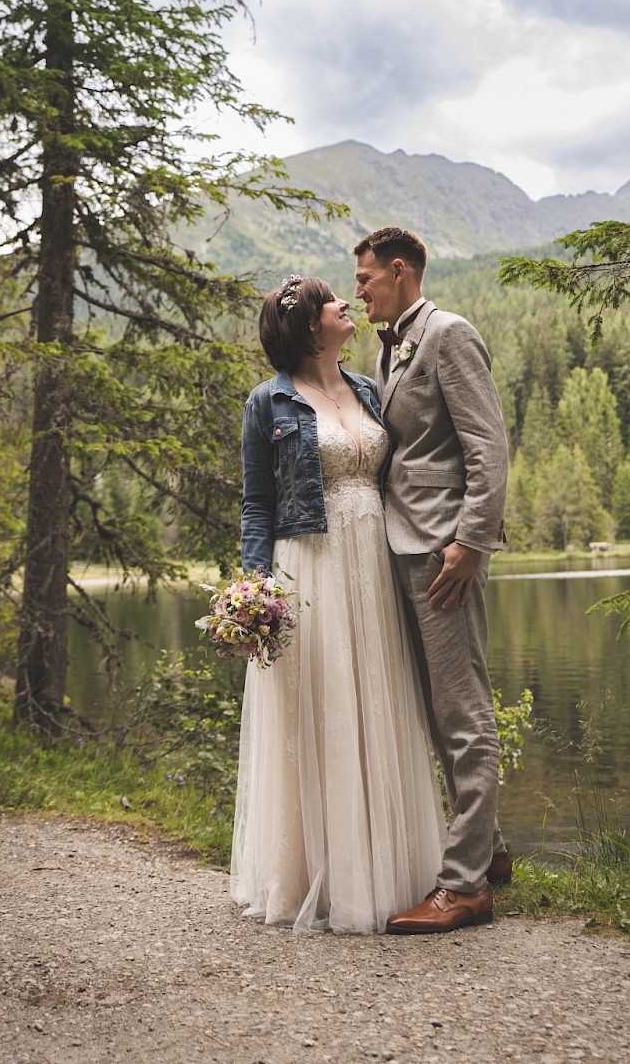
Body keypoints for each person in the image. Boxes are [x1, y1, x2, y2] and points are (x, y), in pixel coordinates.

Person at [231, 274, 445, 935]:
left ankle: (390, 870)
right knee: (321, 710)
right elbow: (258, 503)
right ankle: (317, 878)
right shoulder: (269, 403)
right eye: (332, 302)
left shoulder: (369, 391)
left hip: (373, 564)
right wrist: (255, 587)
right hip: (311, 565)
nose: (344, 305)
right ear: (307, 325)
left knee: (375, 704)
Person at [353, 227, 510, 934]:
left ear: (399, 271)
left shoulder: (449, 334)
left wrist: (471, 542)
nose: (358, 291)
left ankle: (465, 887)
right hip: (405, 546)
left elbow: (487, 445)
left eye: (365, 279)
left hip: (445, 552)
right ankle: (490, 851)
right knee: (434, 712)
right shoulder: (390, 347)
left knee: (464, 716)